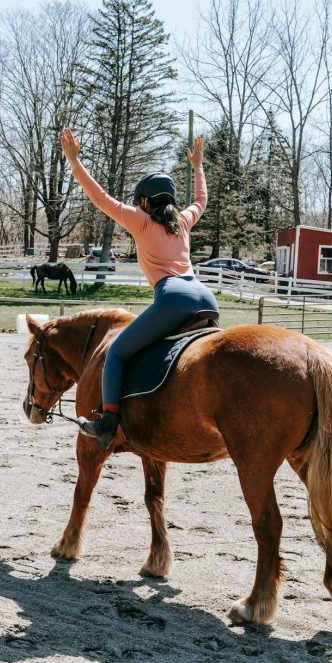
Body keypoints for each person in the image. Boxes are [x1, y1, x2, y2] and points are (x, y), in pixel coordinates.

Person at [60, 127, 219, 448]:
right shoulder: (184, 220)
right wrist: (198, 167)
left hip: (174, 298)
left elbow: (100, 198)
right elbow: (201, 200)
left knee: (117, 352)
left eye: (139, 200)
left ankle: (107, 423)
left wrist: (74, 162)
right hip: (206, 298)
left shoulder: (141, 220)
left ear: (145, 201)